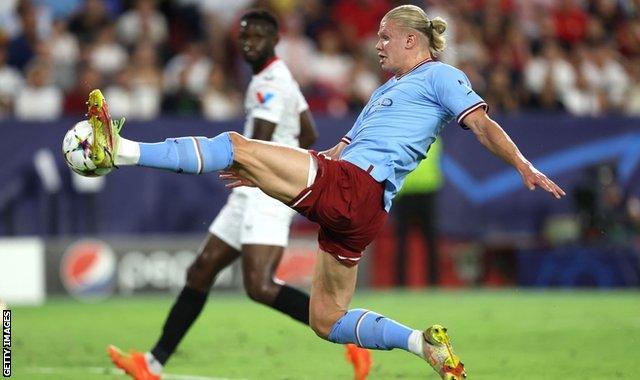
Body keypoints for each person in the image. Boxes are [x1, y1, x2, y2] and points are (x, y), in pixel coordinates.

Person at [86, 5, 565, 379]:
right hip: (361, 208)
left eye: (385, 37)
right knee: (325, 318)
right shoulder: (383, 93)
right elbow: (336, 150)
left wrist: (522, 163)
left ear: (411, 40)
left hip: (357, 187)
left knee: (233, 145)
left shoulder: (440, 75)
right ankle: (422, 343)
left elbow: (481, 125)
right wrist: (266, 175)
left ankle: (120, 150)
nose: (377, 45)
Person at [106, 10, 370, 380]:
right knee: (201, 270)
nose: (248, 42)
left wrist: (273, 168)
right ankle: (152, 364)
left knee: (260, 287)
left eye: (257, 36)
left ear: (274, 40)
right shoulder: (280, 79)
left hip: (265, 191)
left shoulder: (270, 84)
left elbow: (254, 143)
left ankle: (348, 337)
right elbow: (308, 131)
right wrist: (287, 156)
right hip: (253, 189)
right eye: (244, 36)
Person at [394, 139, 443, 286]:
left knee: (425, 241)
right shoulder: (433, 136)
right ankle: (405, 283)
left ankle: (429, 282)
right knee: (408, 241)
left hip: (418, 191)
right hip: (414, 192)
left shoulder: (401, 135)